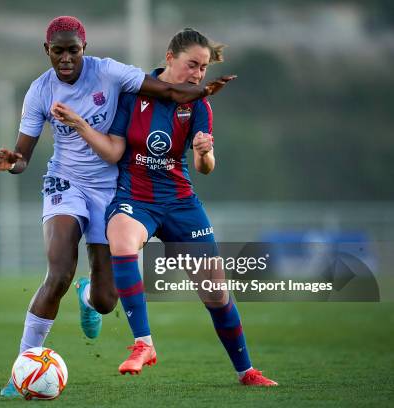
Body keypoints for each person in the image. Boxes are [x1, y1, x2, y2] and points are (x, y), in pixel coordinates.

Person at [0, 17, 235, 397]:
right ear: (47, 51)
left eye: (74, 49)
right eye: (59, 51)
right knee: (59, 272)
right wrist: (13, 161)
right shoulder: (39, 92)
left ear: (84, 49)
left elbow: (168, 92)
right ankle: (20, 369)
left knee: (106, 301)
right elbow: (24, 155)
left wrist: (202, 91)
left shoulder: (109, 73)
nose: (67, 57)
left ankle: (87, 295)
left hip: (111, 187)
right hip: (65, 183)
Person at [51, 28, 277, 386]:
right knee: (122, 242)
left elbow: (205, 168)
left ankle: (246, 371)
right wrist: (79, 124)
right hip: (134, 197)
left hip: (180, 202)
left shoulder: (199, 105)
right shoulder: (132, 94)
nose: (199, 75)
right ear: (169, 58)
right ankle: (143, 344)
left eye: (203, 68)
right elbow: (114, 151)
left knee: (217, 294)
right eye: (193, 65)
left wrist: (205, 153)